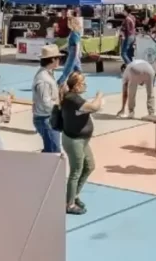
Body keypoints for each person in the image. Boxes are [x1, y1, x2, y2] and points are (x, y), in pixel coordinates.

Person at [60, 72, 103, 215]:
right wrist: (99, 97)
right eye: (83, 83)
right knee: (76, 171)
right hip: (74, 141)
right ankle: (69, 204)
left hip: (82, 140)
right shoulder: (73, 99)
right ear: (77, 86)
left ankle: (74, 194)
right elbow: (94, 107)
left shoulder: (74, 98)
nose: (85, 85)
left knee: (89, 166)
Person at [32, 45, 63, 153]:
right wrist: (59, 109)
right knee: (54, 152)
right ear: (53, 59)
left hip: (46, 118)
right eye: (59, 58)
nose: (60, 60)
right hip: (46, 119)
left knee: (50, 150)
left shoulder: (46, 74)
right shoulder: (44, 79)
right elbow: (46, 103)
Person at [58, 15, 83, 85]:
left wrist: (76, 55)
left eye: (68, 22)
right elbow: (69, 43)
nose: (67, 24)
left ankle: (60, 82)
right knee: (77, 69)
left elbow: (77, 44)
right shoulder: (74, 32)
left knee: (67, 69)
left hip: (73, 53)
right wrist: (60, 48)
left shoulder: (74, 33)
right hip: (73, 52)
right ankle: (79, 82)